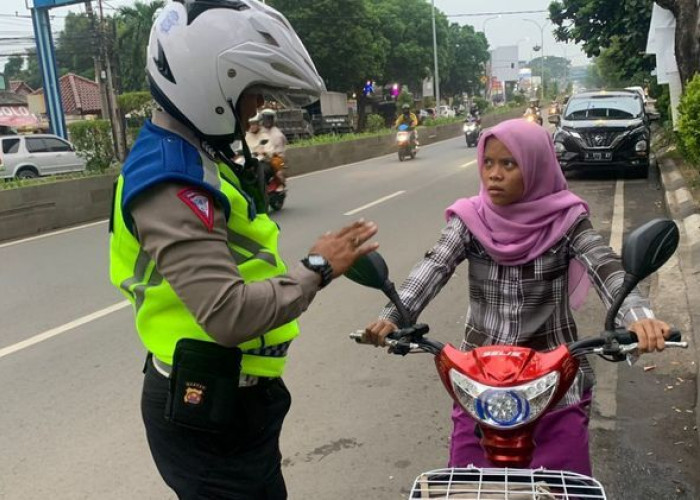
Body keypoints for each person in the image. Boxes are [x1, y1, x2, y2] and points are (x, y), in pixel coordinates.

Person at [109, 1, 379, 498]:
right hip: (208, 408)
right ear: (208, 85)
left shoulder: (197, 157)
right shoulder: (170, 180)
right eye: (250, 93)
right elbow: (227, 314)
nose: (255, 109)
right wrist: (317, 266)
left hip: (232, 399)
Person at [363, 118, 670, 476]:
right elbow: (433, 267)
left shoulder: (567, 220)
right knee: (462, 486)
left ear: (536, 166)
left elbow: (605, 267)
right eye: (488, 162)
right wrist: (394, 315)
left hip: (555, 382)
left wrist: (637, 316)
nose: (494, 174)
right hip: (478, 385)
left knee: (566, 489)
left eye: (509, 164)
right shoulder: (469, 218)